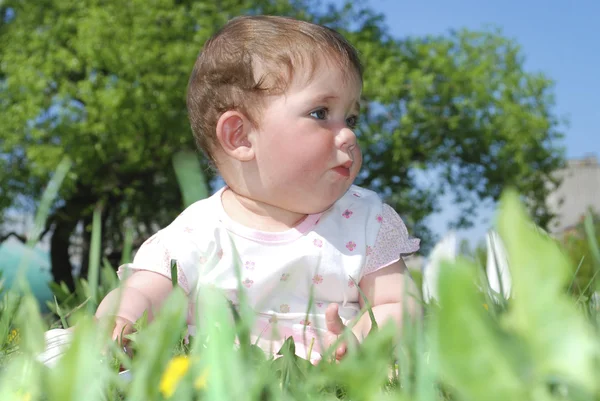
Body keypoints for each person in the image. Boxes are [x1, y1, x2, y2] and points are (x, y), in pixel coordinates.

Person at [95, 15, 420, 363]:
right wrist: (119, 319)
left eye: (351, 118)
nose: (349, 135)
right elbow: (144, 290)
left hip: (330, 376)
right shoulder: (198, 230)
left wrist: (366, 337)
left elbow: (400, 303)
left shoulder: (365, 220)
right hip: (217, 375)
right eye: (321, 113)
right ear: (240, 136)